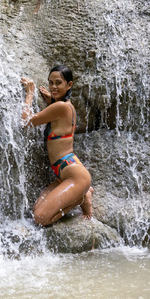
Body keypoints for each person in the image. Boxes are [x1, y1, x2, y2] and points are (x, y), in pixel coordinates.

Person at [21, 65, 93, 226]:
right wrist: (52, 101)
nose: (53, 87)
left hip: (74, 175)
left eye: (58, 83)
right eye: (51, 82)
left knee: (40, 218)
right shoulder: (64, 105)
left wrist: (30, 93)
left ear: (69, 85)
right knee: (36, 211)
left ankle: (83, 195)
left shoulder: (61, 107)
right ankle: (83, 192)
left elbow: (26, 121)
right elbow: (56, 116)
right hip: (63, 173)